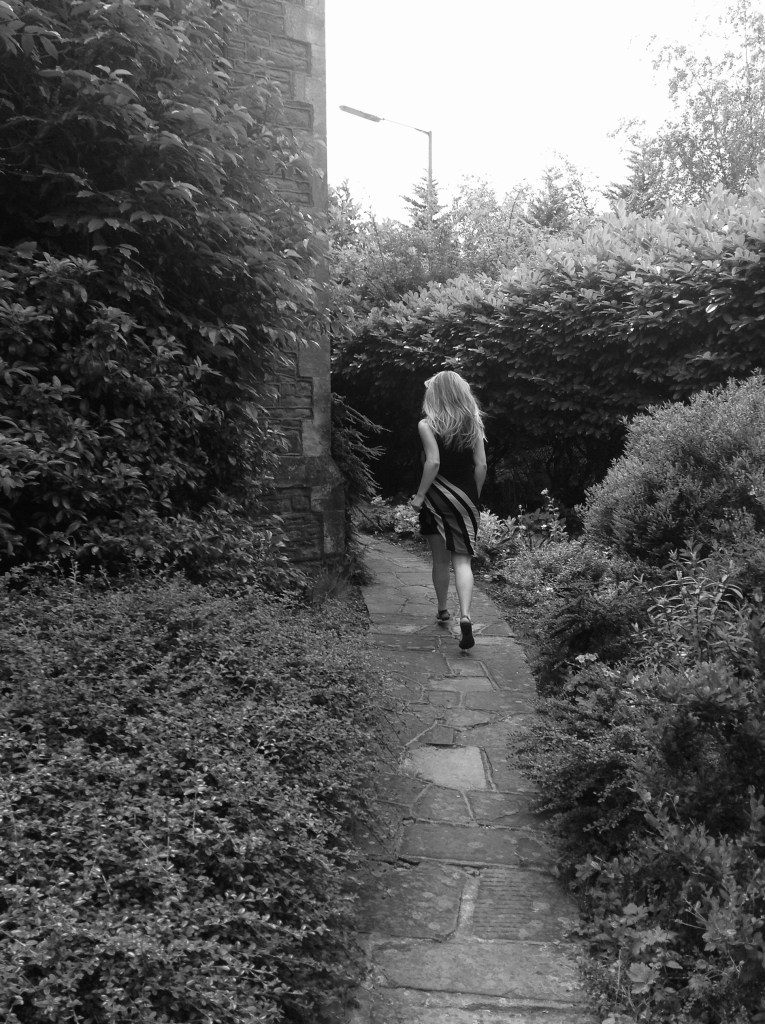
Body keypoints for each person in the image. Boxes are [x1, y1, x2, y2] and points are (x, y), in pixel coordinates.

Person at [409, 370, 487, 650]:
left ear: (435, 395)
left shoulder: (427, 425)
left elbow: (433, 462)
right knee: (463, 561)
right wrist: (473, 496)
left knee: (440, 559)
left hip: (435, 499)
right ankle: (465, 616)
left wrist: (419, 497)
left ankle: (443, 610)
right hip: (466, 498)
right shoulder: (474, 424)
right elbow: (481, 465)